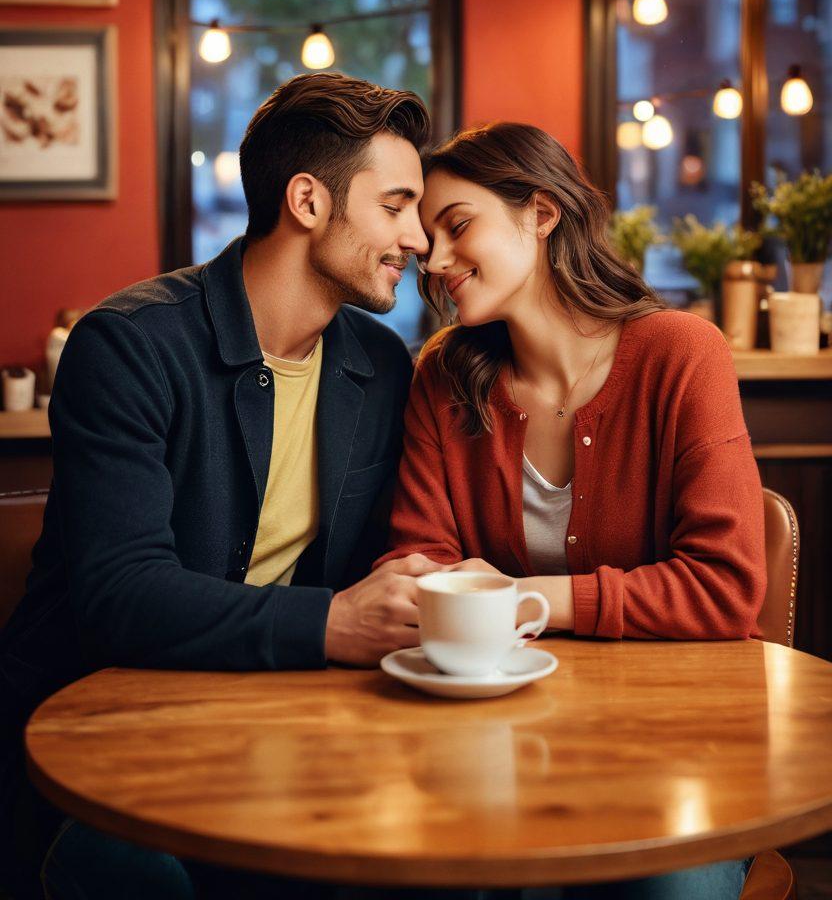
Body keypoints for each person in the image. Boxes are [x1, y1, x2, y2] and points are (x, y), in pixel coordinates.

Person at [0, 72, 445, 900]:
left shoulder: (381, 365)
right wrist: (335, 621)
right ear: (307, 201)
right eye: (395, 207)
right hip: (99, 735)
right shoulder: (128, 345)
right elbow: (121, 596)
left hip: (281, 730)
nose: (417, 238)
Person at [378, 121, 766, 900]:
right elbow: (415, 566)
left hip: (680, 744)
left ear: (541, 213)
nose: (437, 260)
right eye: (429, 240)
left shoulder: (683, 355)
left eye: (458, 226)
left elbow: (724, 588)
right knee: (429, 873)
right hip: (492, 738)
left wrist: (521, 598)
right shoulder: (444, 377)